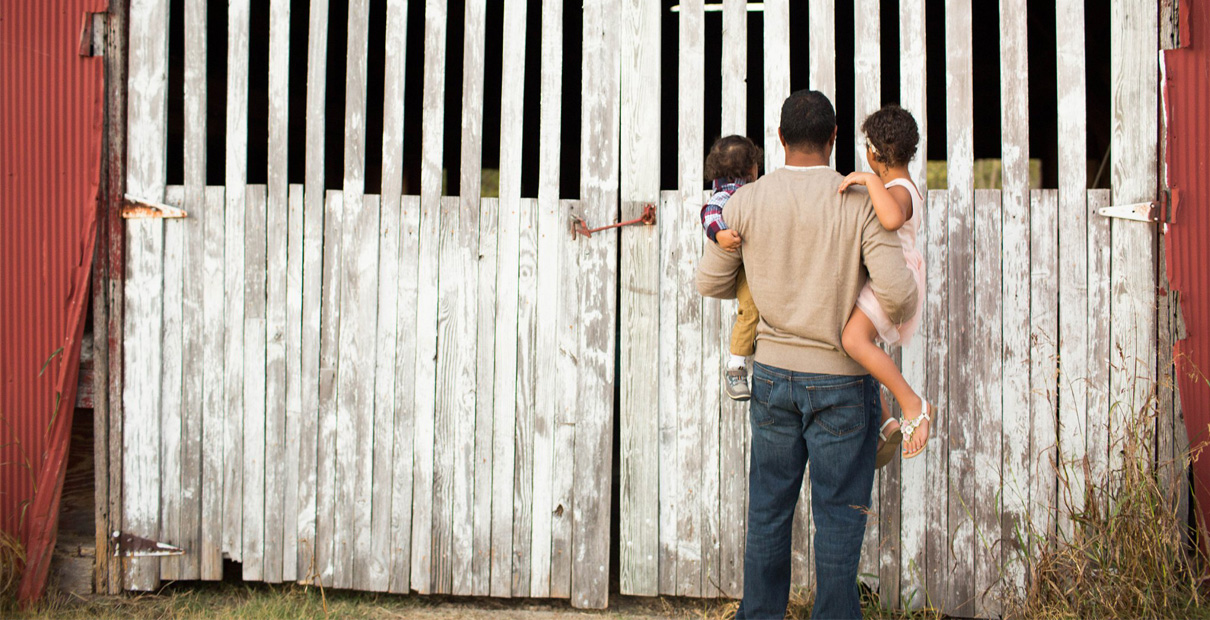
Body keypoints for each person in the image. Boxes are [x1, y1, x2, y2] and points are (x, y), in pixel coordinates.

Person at [696, 90, 918, 620]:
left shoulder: (745, 201)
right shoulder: (859, 198)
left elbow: (710, 280)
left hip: (772, 377)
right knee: (840, 516)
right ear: (835, 137)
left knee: (769, 510)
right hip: (841, 385)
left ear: (778, 140)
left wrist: (767, 274)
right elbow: (900, 296)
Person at [838, 105, 935, 465]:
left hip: (893, 279)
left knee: (852, 339)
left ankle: (913, 404)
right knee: (860, 347)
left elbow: (891, 218)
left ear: (874, 152)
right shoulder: (899, 185)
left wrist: (868, 180)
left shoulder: (898, 188)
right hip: (887, 277)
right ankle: (885, 420)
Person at [699, 135, 764, 401]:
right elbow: (709, 213)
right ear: (751, 169)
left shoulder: (748, 191)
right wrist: (719, 234)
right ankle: (735, 366)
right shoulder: (732, 193)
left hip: (755, 263)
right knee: (749, 308)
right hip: (745, 267)